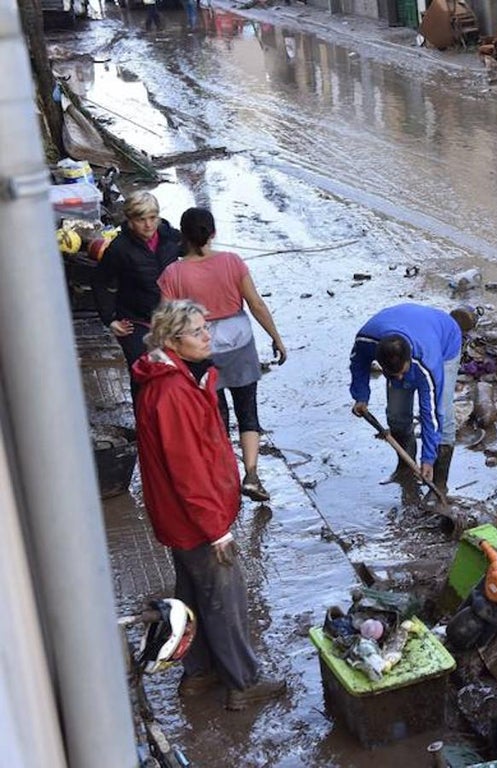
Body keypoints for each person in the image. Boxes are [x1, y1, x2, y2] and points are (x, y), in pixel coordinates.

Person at [132, 299, 286, 711]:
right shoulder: (172, 392)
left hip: (183, 520)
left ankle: (198, 674)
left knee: (193, 597)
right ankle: (243, 682)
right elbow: (187, 471)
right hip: (197, 521)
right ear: (172, 340)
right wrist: (216, 528)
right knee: (225, 599)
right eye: (198, 331)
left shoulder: (179, 379)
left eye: (206, 328)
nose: (208, 337)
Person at [159, 207, 287, 502]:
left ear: (183, 236)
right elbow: (255, 303)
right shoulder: (232, 262)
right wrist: (276, 338)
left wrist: (168, 358)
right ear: (212, 233)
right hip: (240, 342)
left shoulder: (173, 274)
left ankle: (224, 477)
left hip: (200, 348)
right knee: (248, 412)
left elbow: (167, 322)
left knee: (215, 417)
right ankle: (252, 475)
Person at [349, 304, 462, 502]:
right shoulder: (366, 341)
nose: (400, 378)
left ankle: (440, 484)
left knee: (444, 417)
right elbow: (358, 363)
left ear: (409, 359)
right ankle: (405, 468)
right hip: (406, 324)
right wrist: (361, 395)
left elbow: (432, 414)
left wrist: (428, 458)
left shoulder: (427, 363)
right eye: (393, 375)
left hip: (445, 341)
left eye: (403, 372)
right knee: (397, 416)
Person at [93, 191, 183, 404]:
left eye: (153, 218)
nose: (148, 225)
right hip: (135, 321)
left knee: (175, 373)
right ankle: (145, 428)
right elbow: (100, 281)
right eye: (141, 220)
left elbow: (195, 255)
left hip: (169, 318)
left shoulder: (171, 238)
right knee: (143, 375)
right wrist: (110, 319)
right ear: (130, 221)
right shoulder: (119, 248)